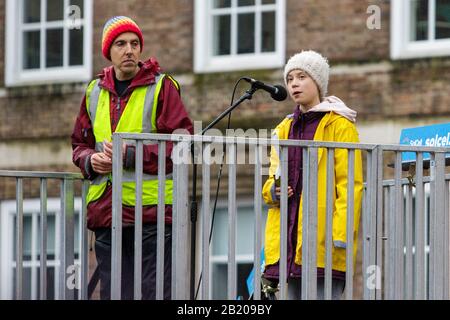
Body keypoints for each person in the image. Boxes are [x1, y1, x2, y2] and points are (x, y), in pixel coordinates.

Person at [71, 16, 193, 300]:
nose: (129, 50)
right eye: (121, 44)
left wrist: (131, 154)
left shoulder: (162, 87)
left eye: (135, 43)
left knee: (154, 293)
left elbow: (183, 146)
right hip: (106, 213)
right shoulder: (93, 91)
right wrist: (90, 160)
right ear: (108, 51)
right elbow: (79, 143)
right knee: (116, 294)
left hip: (153, 214)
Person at [261, 50, 363, 300]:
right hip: (287, 240)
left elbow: (350, 186)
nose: (294, 84)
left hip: (323, 242)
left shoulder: (340, 125)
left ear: (317, 81)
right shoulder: (283, 128)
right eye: (290, 79)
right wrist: (272, 192)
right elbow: (272, 179)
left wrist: (339, 237)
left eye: (302, 76)